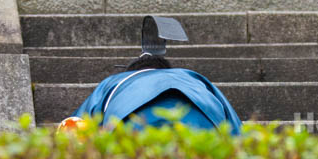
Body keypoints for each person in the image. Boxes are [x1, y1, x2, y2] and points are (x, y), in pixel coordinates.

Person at [62, 16, 242, 133]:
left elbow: (76, 128)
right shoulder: (195, 79)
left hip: (131, 134)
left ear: (133, 71)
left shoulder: (114, 83)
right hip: (204, 132)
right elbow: (236, 130)